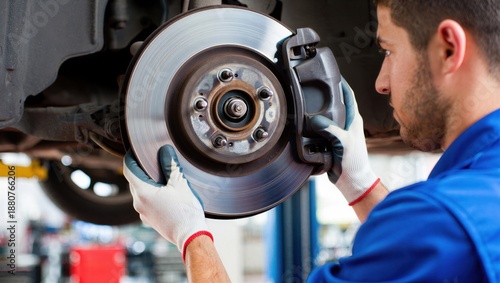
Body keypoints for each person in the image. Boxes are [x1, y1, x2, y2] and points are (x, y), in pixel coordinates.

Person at [123, 0, 500, 281]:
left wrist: (191, 236)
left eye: (388, 51)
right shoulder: (475, 198)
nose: (380, 82)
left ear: (448, 48)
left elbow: (435, 235)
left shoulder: (444, 222)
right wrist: (361, 184)